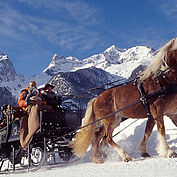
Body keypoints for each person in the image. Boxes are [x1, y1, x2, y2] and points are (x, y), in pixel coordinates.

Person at [18, 81, 44, 150]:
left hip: (39, 106)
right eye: (32, 85)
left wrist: (41, 102)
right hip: (28, 109)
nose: (33, 86)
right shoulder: (25, 91)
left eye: (34, 85)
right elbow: (20, 102)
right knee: (34, 109)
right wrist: (27, 102)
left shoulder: (38, 92)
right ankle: (33, 127)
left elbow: (44, 100)